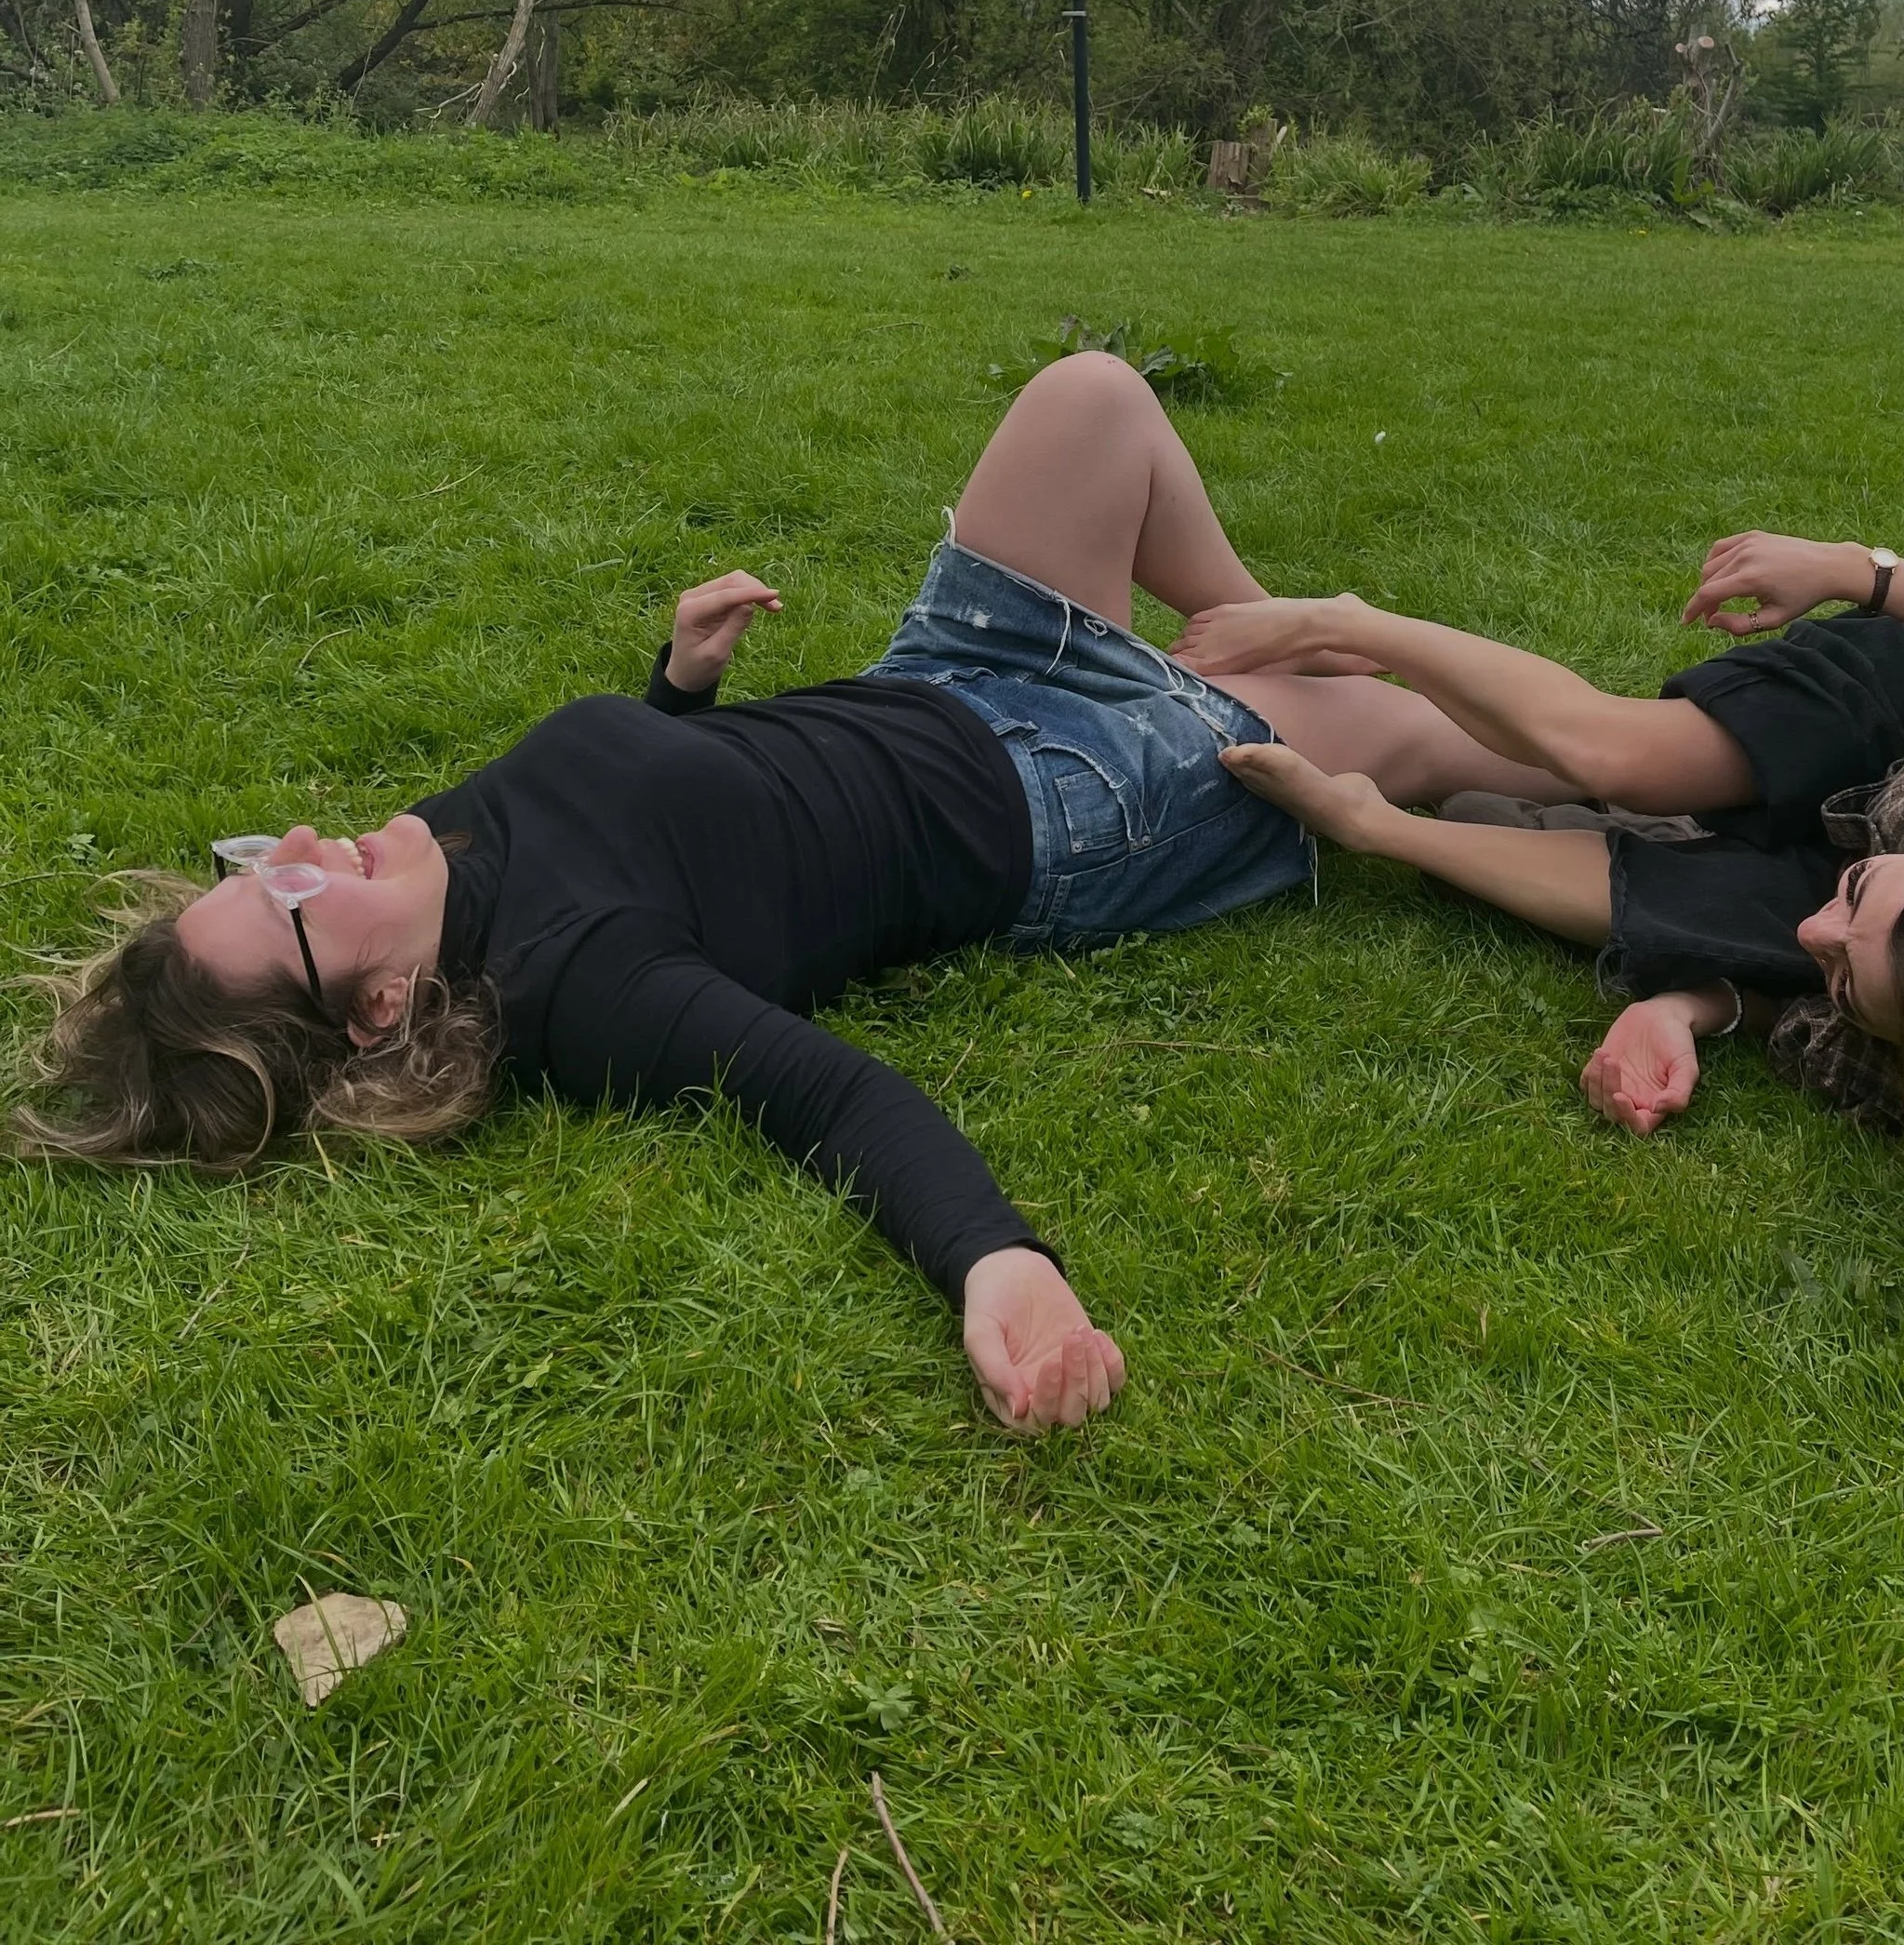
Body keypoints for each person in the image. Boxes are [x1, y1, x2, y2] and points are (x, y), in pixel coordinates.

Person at [12, 353, 1573, 1430]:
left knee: (1092, 396)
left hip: (948, 671)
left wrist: (676, 691)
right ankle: (1604, 797)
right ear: (377, 1007)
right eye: (285, 895)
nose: (295, 840)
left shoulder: (417, 849)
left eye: (253, 859)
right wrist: (998, 1262)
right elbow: (830, 1097)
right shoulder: (586, 988)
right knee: (1431, 736)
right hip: (1065, 804)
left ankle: (1253, 638)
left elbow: (636, 812)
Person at [1187, 535, 1904, 1259]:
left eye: (1844, 967)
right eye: (1856, 906)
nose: (1813, 929)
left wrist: (1694, 1006)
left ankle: (1395, 803)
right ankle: (1344, 623)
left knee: (1703, 922)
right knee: (1626, 764)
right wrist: (1855, 572)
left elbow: (1838, 1022)